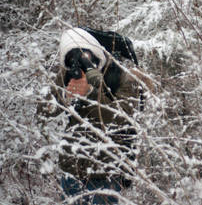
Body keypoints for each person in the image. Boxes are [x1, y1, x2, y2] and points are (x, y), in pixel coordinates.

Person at [38, 27, 153, 204]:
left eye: (85, 55)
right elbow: (44, 113)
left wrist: (90, 92)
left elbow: (119, 119)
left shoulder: (124, 76)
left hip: (106, 171)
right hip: (72, 169)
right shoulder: (70, 75)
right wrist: (64, 83)